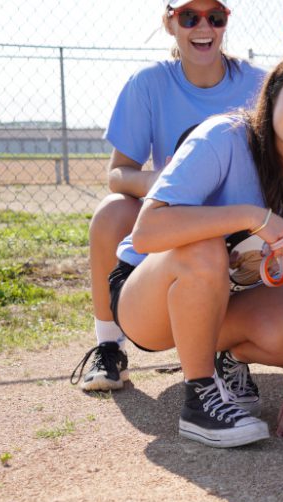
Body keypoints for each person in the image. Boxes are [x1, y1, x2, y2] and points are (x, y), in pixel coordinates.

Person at [111, 48, 283, 448]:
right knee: (206, 246)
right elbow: (146, 233)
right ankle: (200, 402)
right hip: (147, 299)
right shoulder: (222, 137)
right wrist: (249, 215)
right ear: (272, 94)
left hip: (227, 297)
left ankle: (227, 358)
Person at [70, 0, 266, 393]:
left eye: (215, 16)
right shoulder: (149, 84)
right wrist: (169, 183)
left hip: (242, 227)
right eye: (189, 17)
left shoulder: (258, 85)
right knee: (112, 212)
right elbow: (117, 174)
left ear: (227, 22)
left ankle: (232, 353)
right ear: (169, 23)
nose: (203, 26)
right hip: (178, 224)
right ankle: (109, 348)